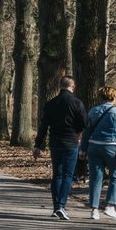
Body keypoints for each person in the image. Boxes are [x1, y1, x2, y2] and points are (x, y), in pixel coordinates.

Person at [32, 76, 87, 221]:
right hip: (71, 142)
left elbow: (43, 126)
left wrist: (38, 145)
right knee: (68, 175)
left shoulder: (50, 103)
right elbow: (84, 123)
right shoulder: (77, 103)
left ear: (60, 86)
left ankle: (56, 206)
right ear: (73, 87)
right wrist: (78, 131)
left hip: (55, 143)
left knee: (57, 175)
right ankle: (61, 206)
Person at [80, 86, 116, 221]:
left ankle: (94, 209)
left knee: (95, 177)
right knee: (115, 175)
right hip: (111, 148)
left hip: (94, 147)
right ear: (114, 97)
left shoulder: (93, 111)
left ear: (101, 97)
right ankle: (110, 206)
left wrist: (83, 149)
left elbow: (86, 131)